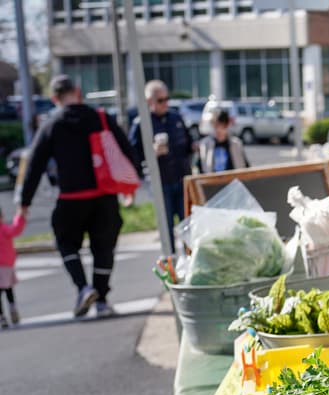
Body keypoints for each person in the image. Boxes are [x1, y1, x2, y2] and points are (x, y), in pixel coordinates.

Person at [18, 75, 140, 318]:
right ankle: (102, 299)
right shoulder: (101, 118)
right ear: (78, 91)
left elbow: (35, 164)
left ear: (54, 98)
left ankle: (83, 287)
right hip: (104, 195)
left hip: (71, 198)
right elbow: (127, 151)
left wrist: (25, 203)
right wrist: (130, 188)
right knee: (104, 247)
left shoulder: (52, 124)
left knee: (65, 242)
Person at [129, 80, 192, 251]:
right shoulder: (141, 123)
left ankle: (191, 262)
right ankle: (171, 262)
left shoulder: (175, 117)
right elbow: (133, 154)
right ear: (149, 101)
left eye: (167, 99)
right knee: (166, 225)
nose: (165, 103)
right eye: (160, 100)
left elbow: (188, 144)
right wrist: (152, 153)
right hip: (160, 182)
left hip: (181, 178)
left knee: (188, 224)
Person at [194, 109, 249, 173]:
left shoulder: (236, 143)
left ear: (227, 125)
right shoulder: (205, 144)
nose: (219, 130)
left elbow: (245, 167)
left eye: (222, 126)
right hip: (212, 181)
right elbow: (198, 168)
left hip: (233, 181)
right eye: (216, 126)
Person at [0, 204, 25, 327]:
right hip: (6, 265)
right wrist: (19, 216)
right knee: (9, 289)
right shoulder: (3, 228)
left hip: (3, 266)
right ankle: (12, 308)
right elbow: (16, 229)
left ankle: (2, 316)